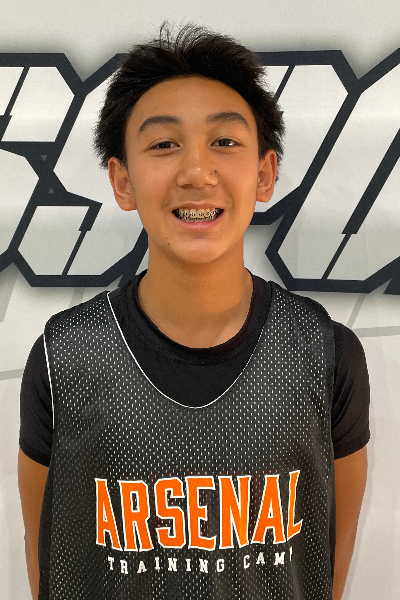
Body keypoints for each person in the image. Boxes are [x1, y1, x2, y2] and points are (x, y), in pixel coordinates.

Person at [18, 23, 369, 600]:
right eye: (164, 144)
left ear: (264, 173)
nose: (196, 172)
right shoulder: (65, 359)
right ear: (122, 180)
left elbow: (323, 568)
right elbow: (51, 564)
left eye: (225, 142)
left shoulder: (326, 354)